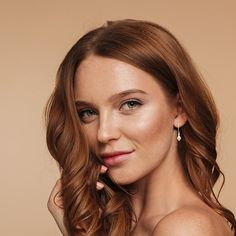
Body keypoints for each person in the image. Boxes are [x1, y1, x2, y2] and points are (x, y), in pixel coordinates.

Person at [45, 19, 236, 236]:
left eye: (130, 104)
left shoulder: (186, 228)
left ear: (180, 110)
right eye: (88, 113)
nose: (104, 133)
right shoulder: (118, 223)